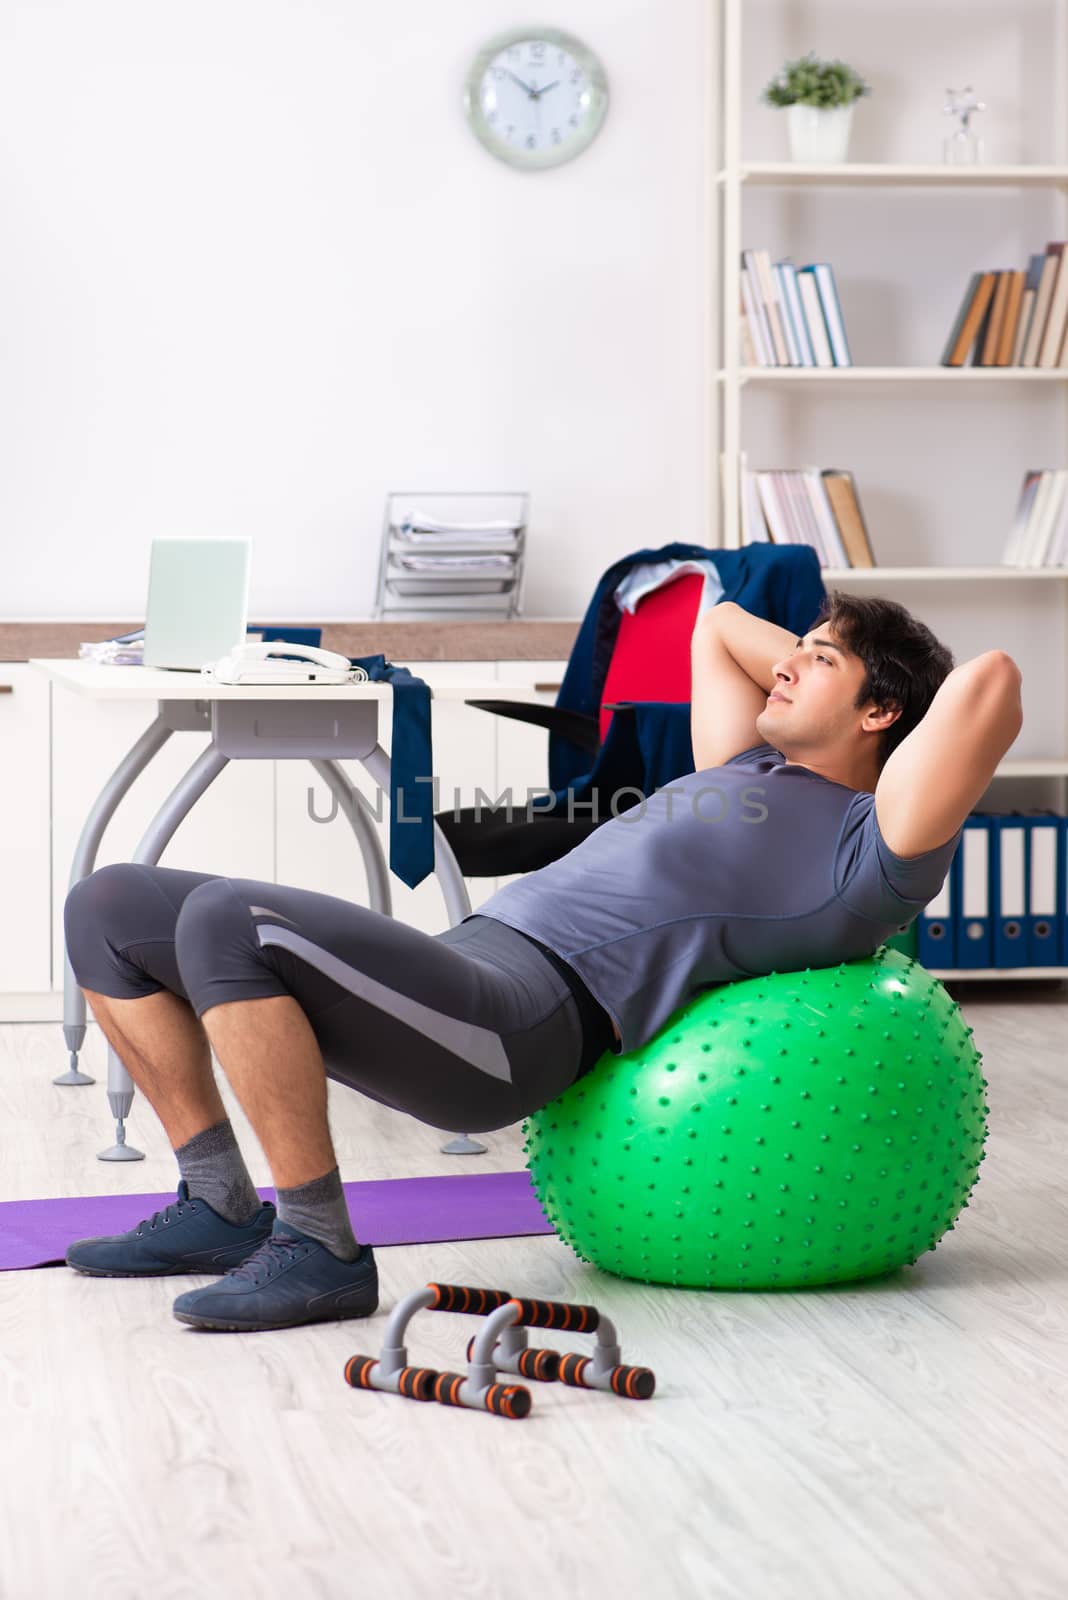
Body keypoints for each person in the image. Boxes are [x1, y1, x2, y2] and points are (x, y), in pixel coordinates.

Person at [63, 591, 1022, 1332]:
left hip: (522, 1020)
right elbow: (720, 624)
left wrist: (860, 683)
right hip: (469, 960)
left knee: (231, 919)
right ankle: (219, 1203)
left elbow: (991, 681)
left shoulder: (873, 850)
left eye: (817, 660)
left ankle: (319, 1247)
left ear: (882, 712)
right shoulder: (744, 765)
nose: (784, 667)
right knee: (110, 904)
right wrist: (824, 665)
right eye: (796, 651)